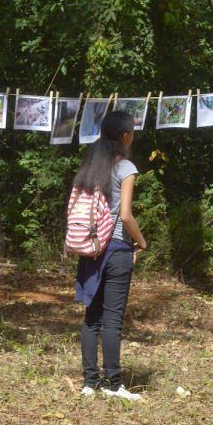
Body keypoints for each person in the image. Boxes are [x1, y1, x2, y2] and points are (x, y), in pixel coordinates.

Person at [75, 111, 148, 400]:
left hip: (90, 248)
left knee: (91, 318)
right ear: (126, 136)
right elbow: (126, 215)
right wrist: (141, 243)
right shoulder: (125, 167)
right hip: (117, 248)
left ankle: (89, 383)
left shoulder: (91, 164)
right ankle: (113, 383)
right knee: (112, 319)